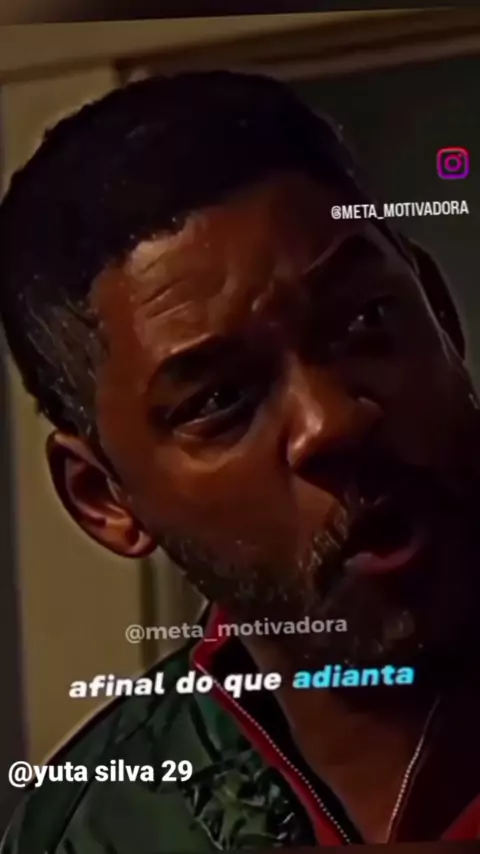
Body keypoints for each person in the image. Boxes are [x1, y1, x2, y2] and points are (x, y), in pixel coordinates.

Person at [0, 71, 479, 854]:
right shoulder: (95, 832)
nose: (332, 422)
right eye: (220, 399)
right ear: (104, 499)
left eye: (367, 319)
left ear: (440, 312)